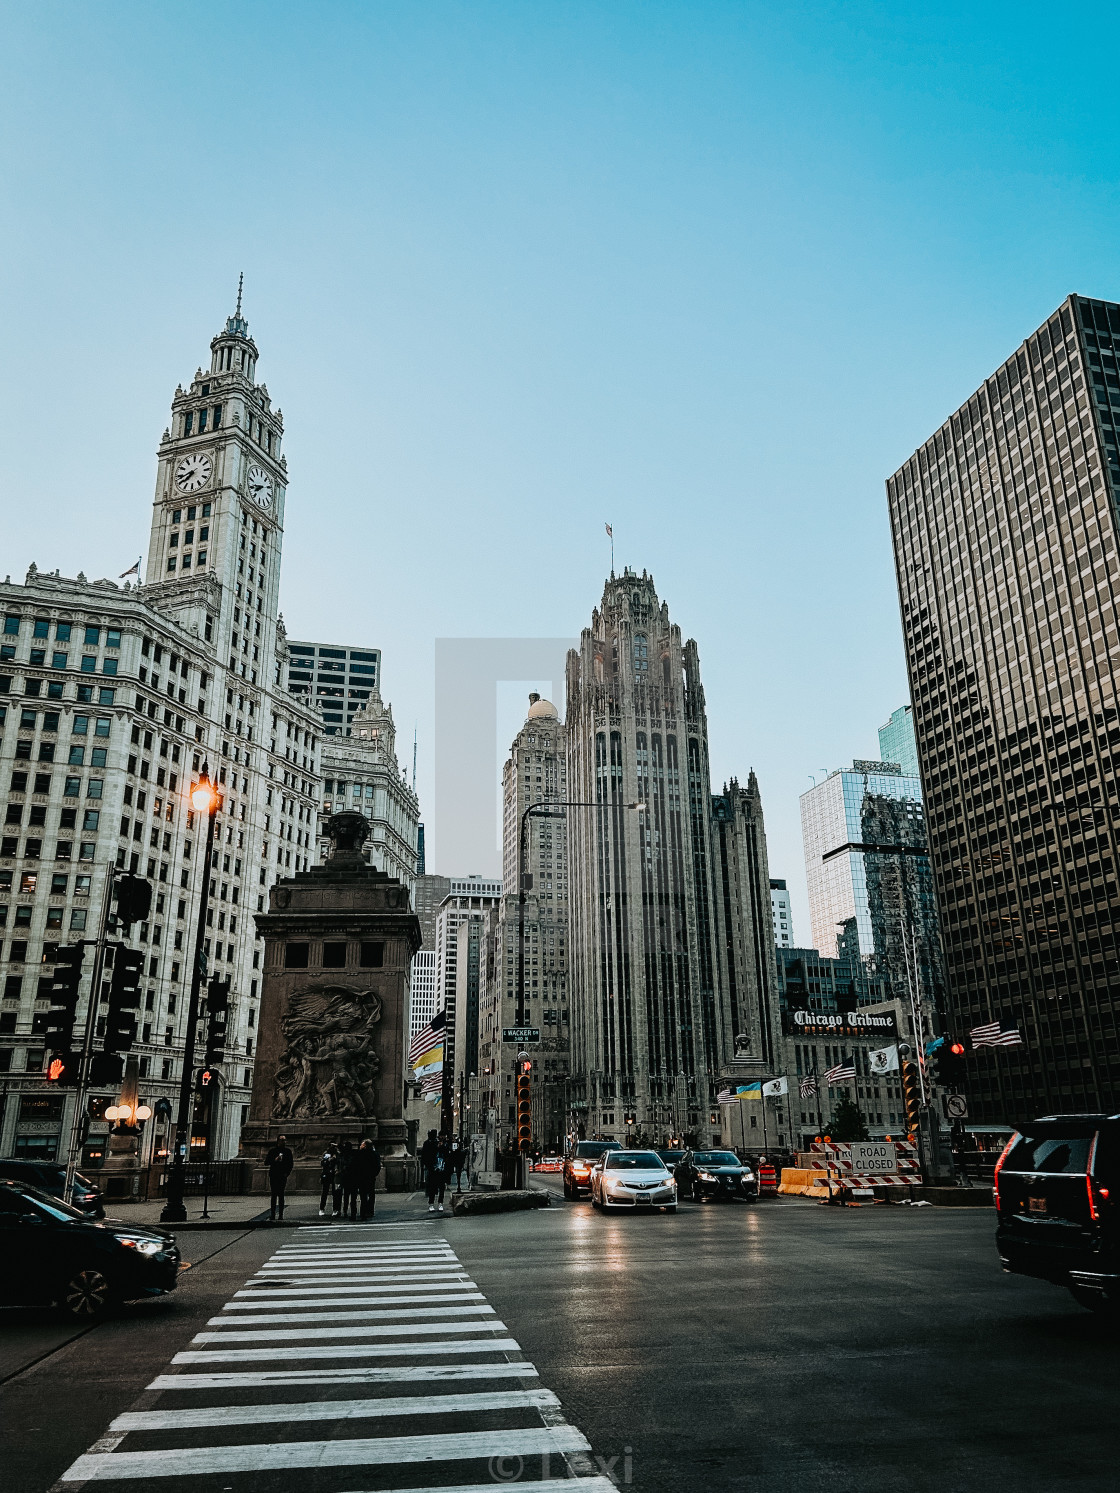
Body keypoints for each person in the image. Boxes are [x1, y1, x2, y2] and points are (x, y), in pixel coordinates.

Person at [266, 1135, 294, 1221]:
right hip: (274, 1174)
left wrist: (287, 1173)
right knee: (274, 1195)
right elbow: (266, 1162)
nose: (284, 1142)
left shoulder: (287, 1151)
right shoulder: (273, 1151)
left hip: (282, 1175)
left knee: (281, 1195)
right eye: (282, 1140)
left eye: (285, 1140)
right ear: (278, 1141)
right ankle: (273, 1214)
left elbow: (290, 1164)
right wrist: (275, 1160)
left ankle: (281, 1214)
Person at [354, 1138, 382, 1220]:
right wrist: (374, 1174)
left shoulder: (360, 1154)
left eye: (362, 1144)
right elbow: (377, 1166)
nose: (360, 1145)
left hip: (362, 1177)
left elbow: (356, 1166)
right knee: (371, 1194)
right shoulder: (375, 1154)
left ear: (365, 1145)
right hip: (370, 1177)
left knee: (363, 1195)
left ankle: (363, 1212)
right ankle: (370, 1210)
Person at [426, 1135, 451, 1212]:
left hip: (442, 1170)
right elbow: (429, 1155)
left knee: (441, 1188)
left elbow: (447, 1156)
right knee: (433, 1188)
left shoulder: (445, 1149)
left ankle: (440, 1203)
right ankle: (431, 1203)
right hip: (434, 1170)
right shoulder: (433, 1148)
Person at [337, 1139, 358, 1221]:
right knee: (353, 1198)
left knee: (346, 1196)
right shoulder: (354, 1154)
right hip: (354, 1178)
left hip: (346, 1178)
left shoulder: (343, 1155)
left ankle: (345, 1211)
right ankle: (353, 1213)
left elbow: (345, 1165)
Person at [318, 1143, 339, 1217]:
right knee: (325, 1192)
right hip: (327, 1173)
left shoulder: (337, 1154)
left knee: (335, 1193)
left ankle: (335, 1209)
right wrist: (328, 1160)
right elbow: (323, 1163)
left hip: (334, 1174)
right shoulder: (326, 1154)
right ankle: (322, 1208)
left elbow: (339, 1163)